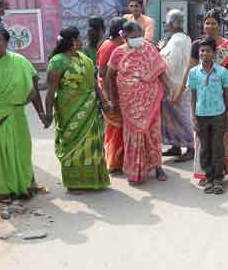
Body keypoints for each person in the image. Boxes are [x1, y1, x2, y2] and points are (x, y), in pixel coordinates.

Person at [0, 27, 45, 201]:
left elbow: (33, 88)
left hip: (15, 114)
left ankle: (21, 187)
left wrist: (41, 113)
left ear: (7, 42)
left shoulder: (19, 62)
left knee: (19, 151)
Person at [105, 21, 175, 184]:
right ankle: (135, 171)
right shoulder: (117, 53)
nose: (137, 39)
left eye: (139, 35)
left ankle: (158, 167)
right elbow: (109, 76)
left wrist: (171, 88)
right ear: (125, 37)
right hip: (129, 103)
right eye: (133, 36)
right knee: (133, 136)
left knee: (153, 134)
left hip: (151, 101)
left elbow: (160, 72)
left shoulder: (150, 49)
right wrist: (111, 99)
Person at [43, 27, 110, 191]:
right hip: (69, 110)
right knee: (72, 144)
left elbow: (94, 83)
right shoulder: (58, 61)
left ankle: (93, 180)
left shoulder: (84, 58)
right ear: (72, 42)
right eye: (78, 38)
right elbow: (51, 90)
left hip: (90, 109)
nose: (81, 41)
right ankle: (74, 183)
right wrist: (48, 113)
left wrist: (105, 102)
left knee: (91, 144)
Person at [182, 10, 228, 184]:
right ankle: (206, 173)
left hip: (224, 99)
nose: (210, 26)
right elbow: (190, 72)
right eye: (207, 23)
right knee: (204, 140)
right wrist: (179, 93)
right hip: (203, 102)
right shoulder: (197, 46)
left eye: (214, 23)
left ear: (219, 25)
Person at [187, 37, 228, 195]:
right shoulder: (193, 72)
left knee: (218, 148)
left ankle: (218, 180)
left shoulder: (222, 72)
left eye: (207, 50)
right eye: (202, 50)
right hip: (201, 116)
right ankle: (208, 178)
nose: (204, 53)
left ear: (214, 54)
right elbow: (193, 96)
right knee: (205, 148)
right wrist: (193, 117)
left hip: (218, 115)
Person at [159, 9, 194, 162]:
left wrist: (159, 53)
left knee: (182, 116)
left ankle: (191, 147)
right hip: (179, 83)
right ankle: (175, 145)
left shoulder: (177, 41)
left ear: (172, 24)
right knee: (172, 116)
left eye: (167, 23)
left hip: (175, 84)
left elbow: (170, 64)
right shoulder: (184, 38)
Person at [96, 17, 126, 176]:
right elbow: (102, 73)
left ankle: (117, 160)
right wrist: (109, 99)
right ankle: (114, 162)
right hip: (110, 93)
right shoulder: (110, 46)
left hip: (116, 91)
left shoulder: (116, 45)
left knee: (117, 129)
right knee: (116, 128)